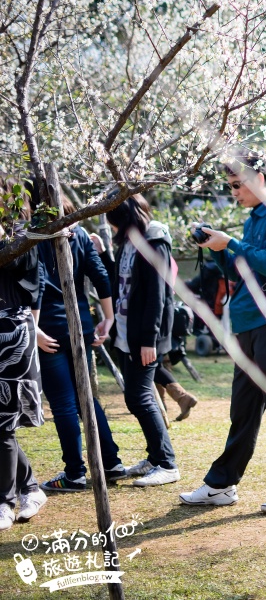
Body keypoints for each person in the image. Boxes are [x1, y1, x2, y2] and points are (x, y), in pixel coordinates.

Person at [180, 152, 266, 515]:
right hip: (248, 325)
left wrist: (232, 243)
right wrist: (218, 248)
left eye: (237, 185)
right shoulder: (255, 218)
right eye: (231, 187)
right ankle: (221, 484)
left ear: (259, 179)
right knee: (243, 410)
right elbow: (244, 270)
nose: (234, 193)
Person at [34, 197, 132, 492]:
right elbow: (101, 276)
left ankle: (75, 473)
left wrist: (33, 328)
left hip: (49, 328)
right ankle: (111, 462)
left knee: (64, 403)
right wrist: (108, 318)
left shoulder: (33, 238)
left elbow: (34, 284)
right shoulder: (79, 237)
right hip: (80, 325)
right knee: (85, 398)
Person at [99, 194, 180, 487]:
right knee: (136, 397)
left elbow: (157, 295)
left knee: (139, 397)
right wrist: (104, 255)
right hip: (125, 330)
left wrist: (149, 340)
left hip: (144, 335)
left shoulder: (153, 241)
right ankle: (156, 458)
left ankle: (167, 463)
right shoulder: (129, 242)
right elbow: (120, 282)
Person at [0, 178, 47, 528]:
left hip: (11, 335)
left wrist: (34, 329)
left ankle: (5, 501)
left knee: (3, 423)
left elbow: (34, 284)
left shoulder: (20, 234)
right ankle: (30, 487)